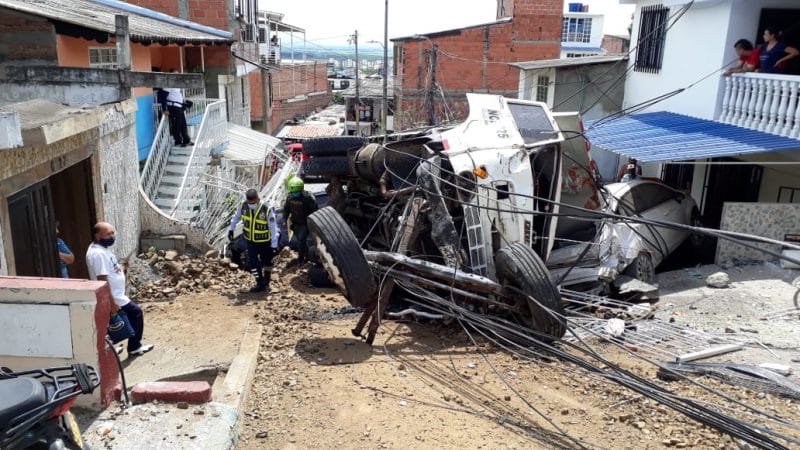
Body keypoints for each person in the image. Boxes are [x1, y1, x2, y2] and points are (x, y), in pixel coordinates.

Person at [86, 222, 153, 356]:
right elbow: (102, 280)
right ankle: (134, 346)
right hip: (114, 296)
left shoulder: (102, 249)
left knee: (112, 320)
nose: (112, 236)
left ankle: (110, 347)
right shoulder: (98, 254)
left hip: (116, 295)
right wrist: (111, 302)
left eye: (113, 233)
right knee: (136, 313)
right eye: (108, 234)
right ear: (97, 235)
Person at [229, 189, 279, 293]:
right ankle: (259, 283)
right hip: (251, 241)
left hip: (265, 241)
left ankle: (267, 281)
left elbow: (273, 229)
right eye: (249, 203)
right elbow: (236, 217)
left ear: (258, 199)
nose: (251, 205)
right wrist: (231, 229)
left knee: (267, 262)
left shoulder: (267, 209)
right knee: (253, 263)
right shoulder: (243, 205)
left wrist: (274, 245)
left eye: (253, 203)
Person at [282, 177, 318, 266]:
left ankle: (300, 260)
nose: (295, 194)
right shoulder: (290, 197)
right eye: (294, 192)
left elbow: (315, 210)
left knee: (301, 240)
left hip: (306, 223)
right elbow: (286, 209)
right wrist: (284, 220)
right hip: (295, 224)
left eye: (297, 192)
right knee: (301, 241)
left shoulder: (308, 198)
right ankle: (307, 256)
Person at [160, 70, 194, 147]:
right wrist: (165, 109)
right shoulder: (168, 84)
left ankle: (186, 140)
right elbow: (163, 97)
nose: (177, 76)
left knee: (183, 124)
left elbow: (176, 96)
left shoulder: (176, 84)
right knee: (177, 125)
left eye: (178, 74)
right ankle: (178, 141)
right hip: (173, 107)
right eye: (175, 74)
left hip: (179, 107)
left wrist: (184, 103)